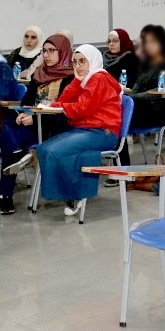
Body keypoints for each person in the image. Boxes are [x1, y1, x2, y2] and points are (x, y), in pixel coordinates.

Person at [34, 44, 124, 217]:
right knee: (43, 149)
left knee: (55, 150)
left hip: (103, 132)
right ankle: (72, 193)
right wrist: (76, 81)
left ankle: (72, 195)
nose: (78, 66)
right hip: (84, 130)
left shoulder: (99, 78)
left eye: (82, 61)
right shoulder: (85, 79)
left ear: (92, 61)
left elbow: (82, 108)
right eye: (74, 62)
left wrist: (58, 106)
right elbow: (65, 99)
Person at [0, 33, 73, 214]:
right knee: (4, 128)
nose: (46, 55)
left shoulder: (70, 78)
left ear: (62, 52)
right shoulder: (40, 74)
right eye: (44, 51)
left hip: (55, 128)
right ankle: (6, 194)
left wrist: (35, 118)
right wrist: (22, 114)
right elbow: (26, 101)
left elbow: (64, 111)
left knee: (13, 141)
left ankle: (18, 157)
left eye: (51, 51)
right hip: (34, 126)